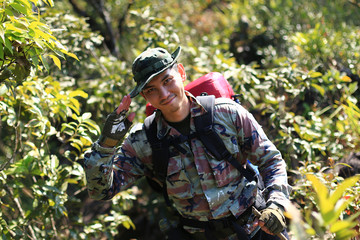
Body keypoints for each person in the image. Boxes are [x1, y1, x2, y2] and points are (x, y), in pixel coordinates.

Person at [84, 46, 292, 240]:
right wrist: (107, 144)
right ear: (145, 96)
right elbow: (101, 191)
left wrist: (276, 205)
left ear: (181, 73)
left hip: (256, 228)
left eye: (167, 81)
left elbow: (271, 161)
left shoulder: (227, 113)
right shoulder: (143, 141)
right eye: (152, 90)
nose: (164, 94)